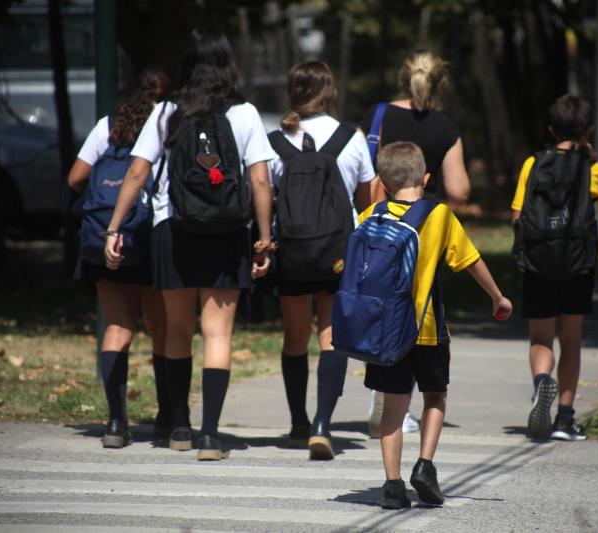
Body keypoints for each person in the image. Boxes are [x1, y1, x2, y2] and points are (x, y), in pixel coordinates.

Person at [104, 30, 275, 461]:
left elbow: (137, 173)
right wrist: (265, 238)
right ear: (227, 66)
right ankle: (211, 436)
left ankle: (179, 427)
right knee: (217, 333)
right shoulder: (246, 114)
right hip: (227, 232)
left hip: (172, 231)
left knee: (177, 331)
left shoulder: (166, 112)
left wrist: (114, 227)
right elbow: (259, 179)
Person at [358, 142, 513, 509]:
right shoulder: (439, 215)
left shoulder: (369, 215)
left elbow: (345, 267)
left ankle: (392, 485)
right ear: (426, 178)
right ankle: (425, 465)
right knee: (435, 395)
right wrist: (497, 296)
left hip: (386, 332)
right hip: (427, 329)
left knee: (393, 406)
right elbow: (471, 261)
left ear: (382, 181)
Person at [360, 50, 472, 435]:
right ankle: (403, 405)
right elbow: (458, 189)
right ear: (440, 84)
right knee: (419, 308)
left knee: (380, 306)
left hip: (376, 230)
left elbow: (358, 172)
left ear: (402, 78)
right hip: (422, 232)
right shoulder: (445, 128)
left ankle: (386, 385)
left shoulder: (377, 117)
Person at [268, 61, 375, 459]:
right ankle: (322, 425)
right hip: (337, 251)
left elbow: (265, 194)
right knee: (331, 336)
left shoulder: (275, 141)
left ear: (292, 92)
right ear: (330, 92)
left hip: (293, 251)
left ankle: (297, 424)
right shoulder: (351, 138)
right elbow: (364, 204)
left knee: (295, 336)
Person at [511, 95, 598, 441]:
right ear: (588, 131)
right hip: (578, 266)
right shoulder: (593, 170)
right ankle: (564, 418)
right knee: (570, 341)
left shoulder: (533, 164)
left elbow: (517, 215)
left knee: (540, 337)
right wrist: (596, 167)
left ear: (550, 129)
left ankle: (541, 382)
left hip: (538, 263)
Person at [67, 69, 169, 448]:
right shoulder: (166, 126)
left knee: (117, 325)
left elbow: (76, 177)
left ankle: (114, 422)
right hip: (149, 237)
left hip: (105, 237)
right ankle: (168, 415)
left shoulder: (108, 127)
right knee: (162, 329)